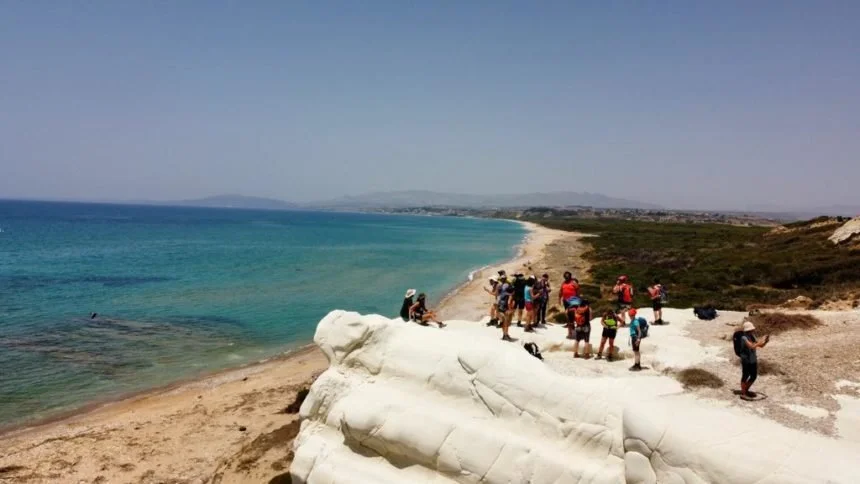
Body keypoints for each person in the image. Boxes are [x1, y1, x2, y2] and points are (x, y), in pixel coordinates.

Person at [739, 321, 769, 400]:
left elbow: (760, 346)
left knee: (753, 376)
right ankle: (743, 392)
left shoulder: (752, 336)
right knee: (745, 375)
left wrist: (765, 341)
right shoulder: (743, 337)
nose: (752, 330)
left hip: (752, 359)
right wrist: (760, 341)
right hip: (746, 360)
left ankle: (746, 390)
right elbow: (751, 346)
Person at [558, 272, 581, 337]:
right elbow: (561, 291)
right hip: (565, 300)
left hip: (573, 301)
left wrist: (578, 299)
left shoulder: (573, 282)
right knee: (567, 313)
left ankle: (574, 325)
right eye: (565, 276)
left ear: (570, 276)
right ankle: (570, 324)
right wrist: (559, 298)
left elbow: (578, 290)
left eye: (567, 276)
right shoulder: (563, 283)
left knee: (573, 313)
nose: (566, 277)